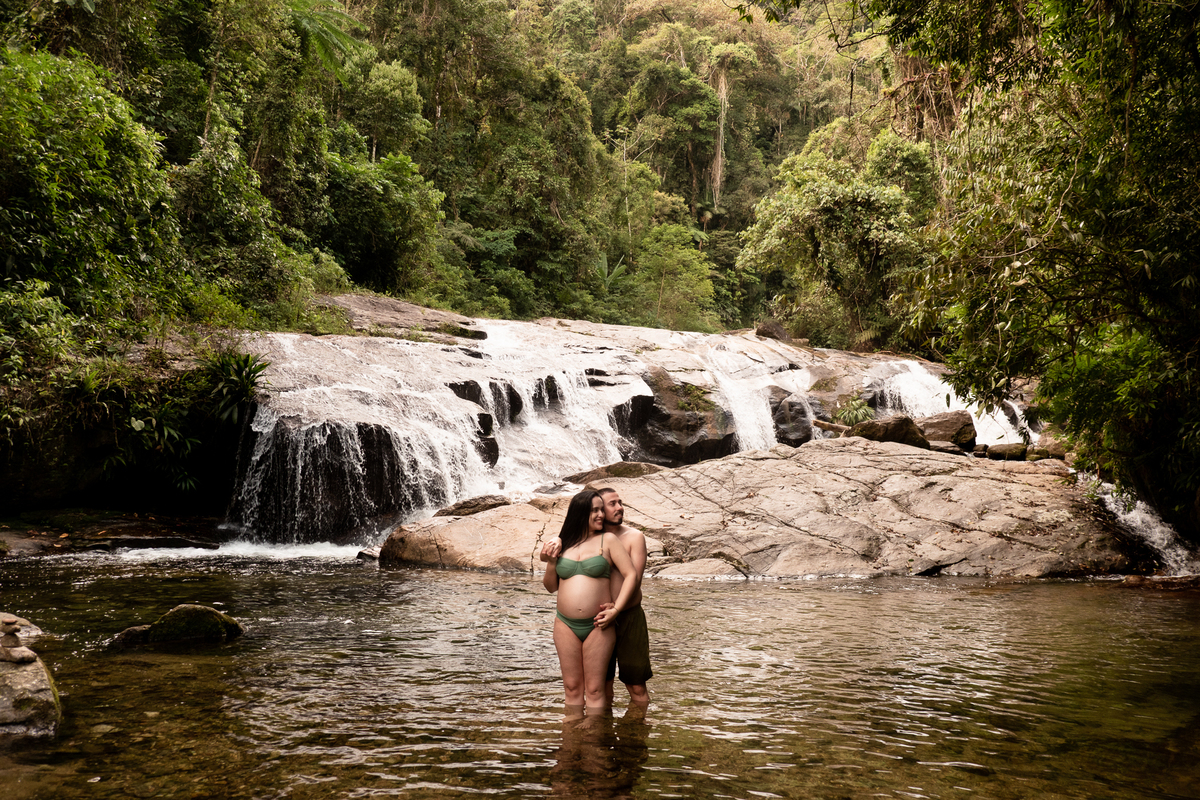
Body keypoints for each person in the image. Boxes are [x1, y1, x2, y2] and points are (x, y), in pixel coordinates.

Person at [542, 487, 651, 706]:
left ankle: (636, 724)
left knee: (628, 684)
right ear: (582, 512)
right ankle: (589, 728)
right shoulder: (567, 542)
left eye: (603, 509)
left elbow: (633, 577)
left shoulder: (619, 539)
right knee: (591, 686)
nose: (604, 513)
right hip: (572, 622)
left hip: (615, 617)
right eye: (598, 509)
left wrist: (616, 609)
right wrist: (552, 558)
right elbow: (551, 586)